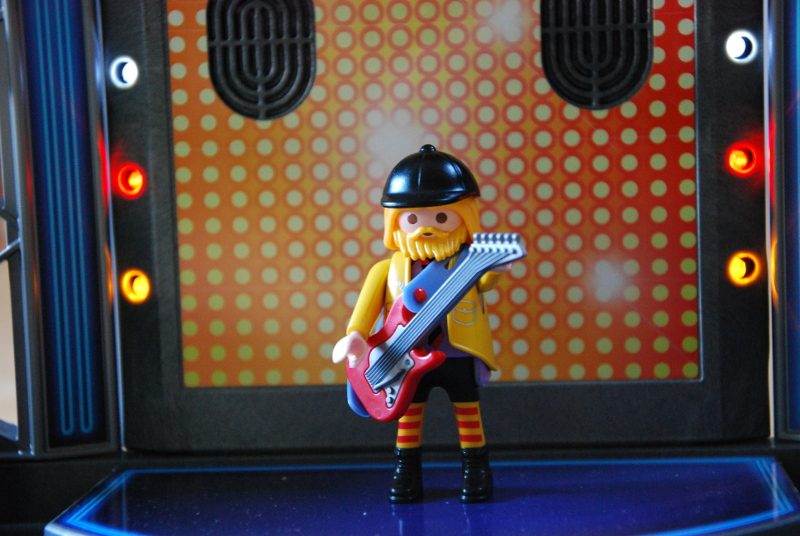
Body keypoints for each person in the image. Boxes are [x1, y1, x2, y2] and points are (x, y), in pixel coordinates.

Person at [333, 145, 511, 503]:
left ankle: (476, 470)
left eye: (442, 217)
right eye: (413, 219)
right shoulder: (386, 270)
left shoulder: (467, 265)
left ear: (466, 218)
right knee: (408, 416)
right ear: (395, 222)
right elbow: (366, 309)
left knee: (468, 412)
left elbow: (485, 281)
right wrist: (355, 337)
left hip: (459, 352)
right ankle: (406, 471)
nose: (426, 228)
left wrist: (494, 266)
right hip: (404, 358)